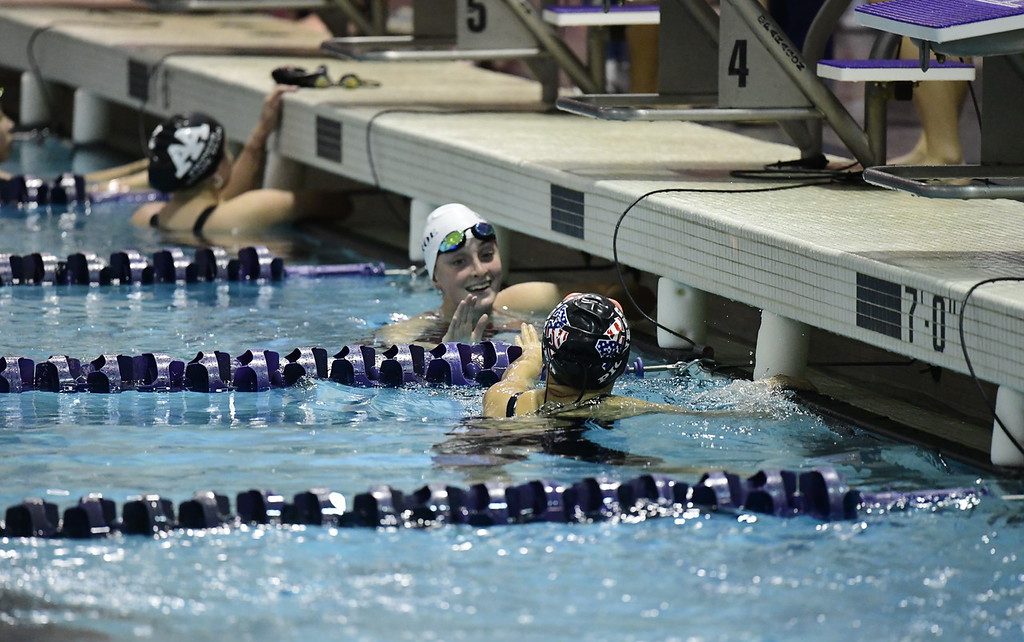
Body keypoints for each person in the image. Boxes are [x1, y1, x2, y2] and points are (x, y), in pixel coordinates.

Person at [131, 86, 320, 235]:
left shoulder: (145, 217)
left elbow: (218, 203)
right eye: (226, 151)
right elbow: (341, 207)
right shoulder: (253, 209)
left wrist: (260, 135)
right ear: (218, 171)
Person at [376, 203, 568, 345]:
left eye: (486, 255)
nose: (479, 270)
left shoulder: (526, 301)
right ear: (435, 277)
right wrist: (449, 355)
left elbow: (594, 299)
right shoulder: (406, 336)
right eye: (459, 262)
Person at [483, 293, 688, 420]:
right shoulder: (631, 409)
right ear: (620, 366)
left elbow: (514, 379)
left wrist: (530, 356)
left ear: (547, 354)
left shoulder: (501, 401)